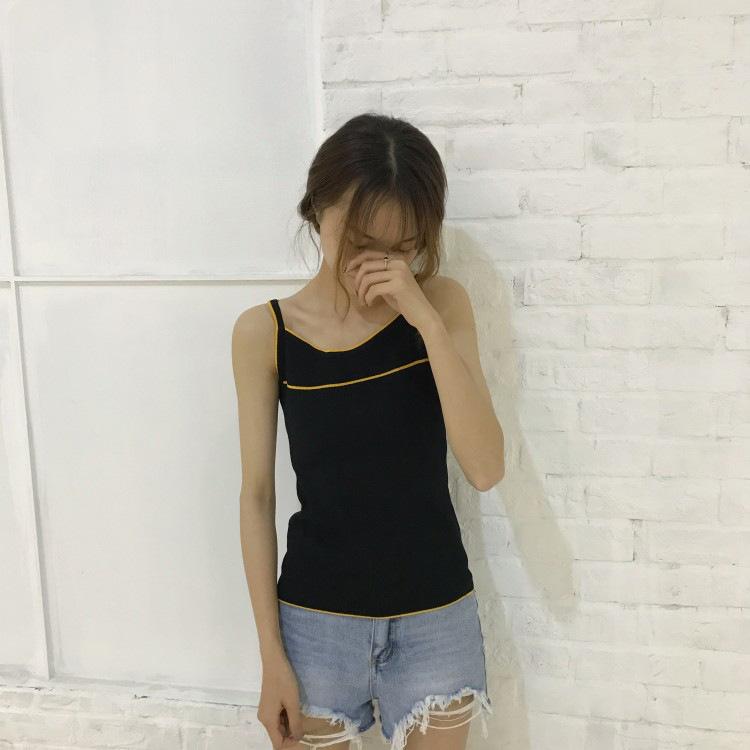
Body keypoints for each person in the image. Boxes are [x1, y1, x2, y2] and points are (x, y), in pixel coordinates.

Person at [232, 113, 505, 750]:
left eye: (402, 247)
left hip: (436, 619)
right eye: (359, 241)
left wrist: (424, 320)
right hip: (315, 626)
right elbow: (256, 497)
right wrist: (271, 656)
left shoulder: (442, 305)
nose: (378, 264)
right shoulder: (264, 332)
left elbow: (486, 467)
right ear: (317, 210)